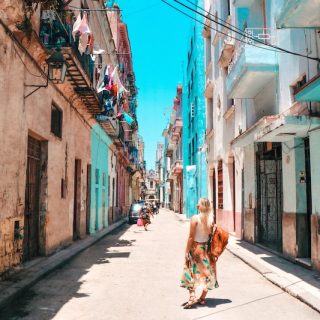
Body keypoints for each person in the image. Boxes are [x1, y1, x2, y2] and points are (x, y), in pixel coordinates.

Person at [180, 198, 218, 308]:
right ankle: (202, 298)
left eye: (198, 204)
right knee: (208, 273)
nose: (197, 205)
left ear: (199, 207)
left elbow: (191, 237)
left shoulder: (195, 218)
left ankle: (192, 296)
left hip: (196, 248)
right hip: (207, 249)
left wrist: (187, 251)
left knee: (190, 270)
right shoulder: (211, 220)